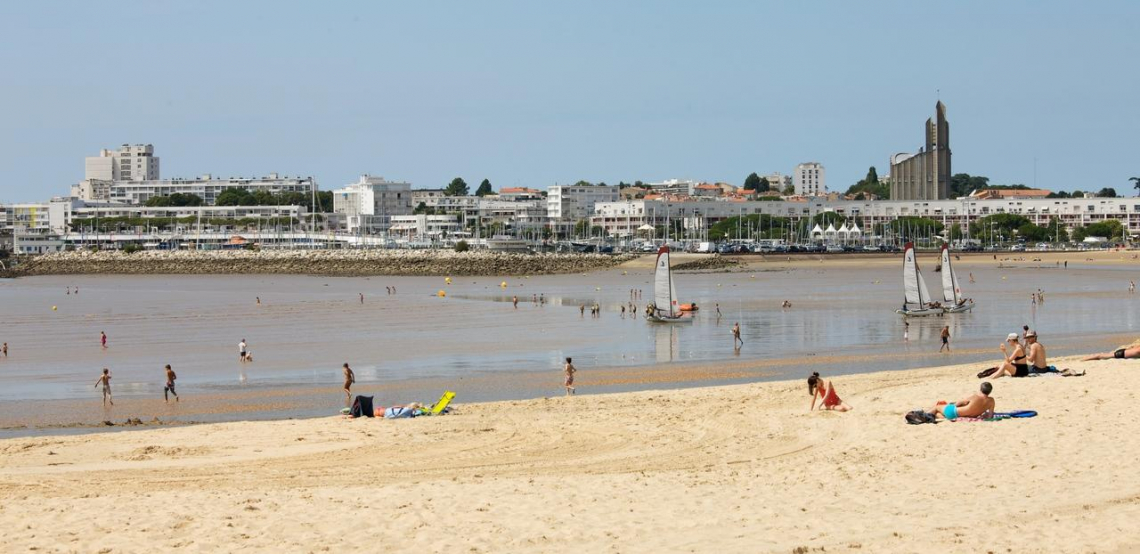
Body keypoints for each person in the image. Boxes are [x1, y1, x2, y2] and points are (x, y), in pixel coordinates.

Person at [929, 382, 995, 420]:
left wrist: (951, 405)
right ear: (990, 392)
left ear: (980, 389)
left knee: (937, 407)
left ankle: (925, 416)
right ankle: (933, 415)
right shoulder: (991, 401)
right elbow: (990, 416)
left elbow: (958, 403)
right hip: (967, 416)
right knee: (937, 414)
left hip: (955, 412)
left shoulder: (975, 397)